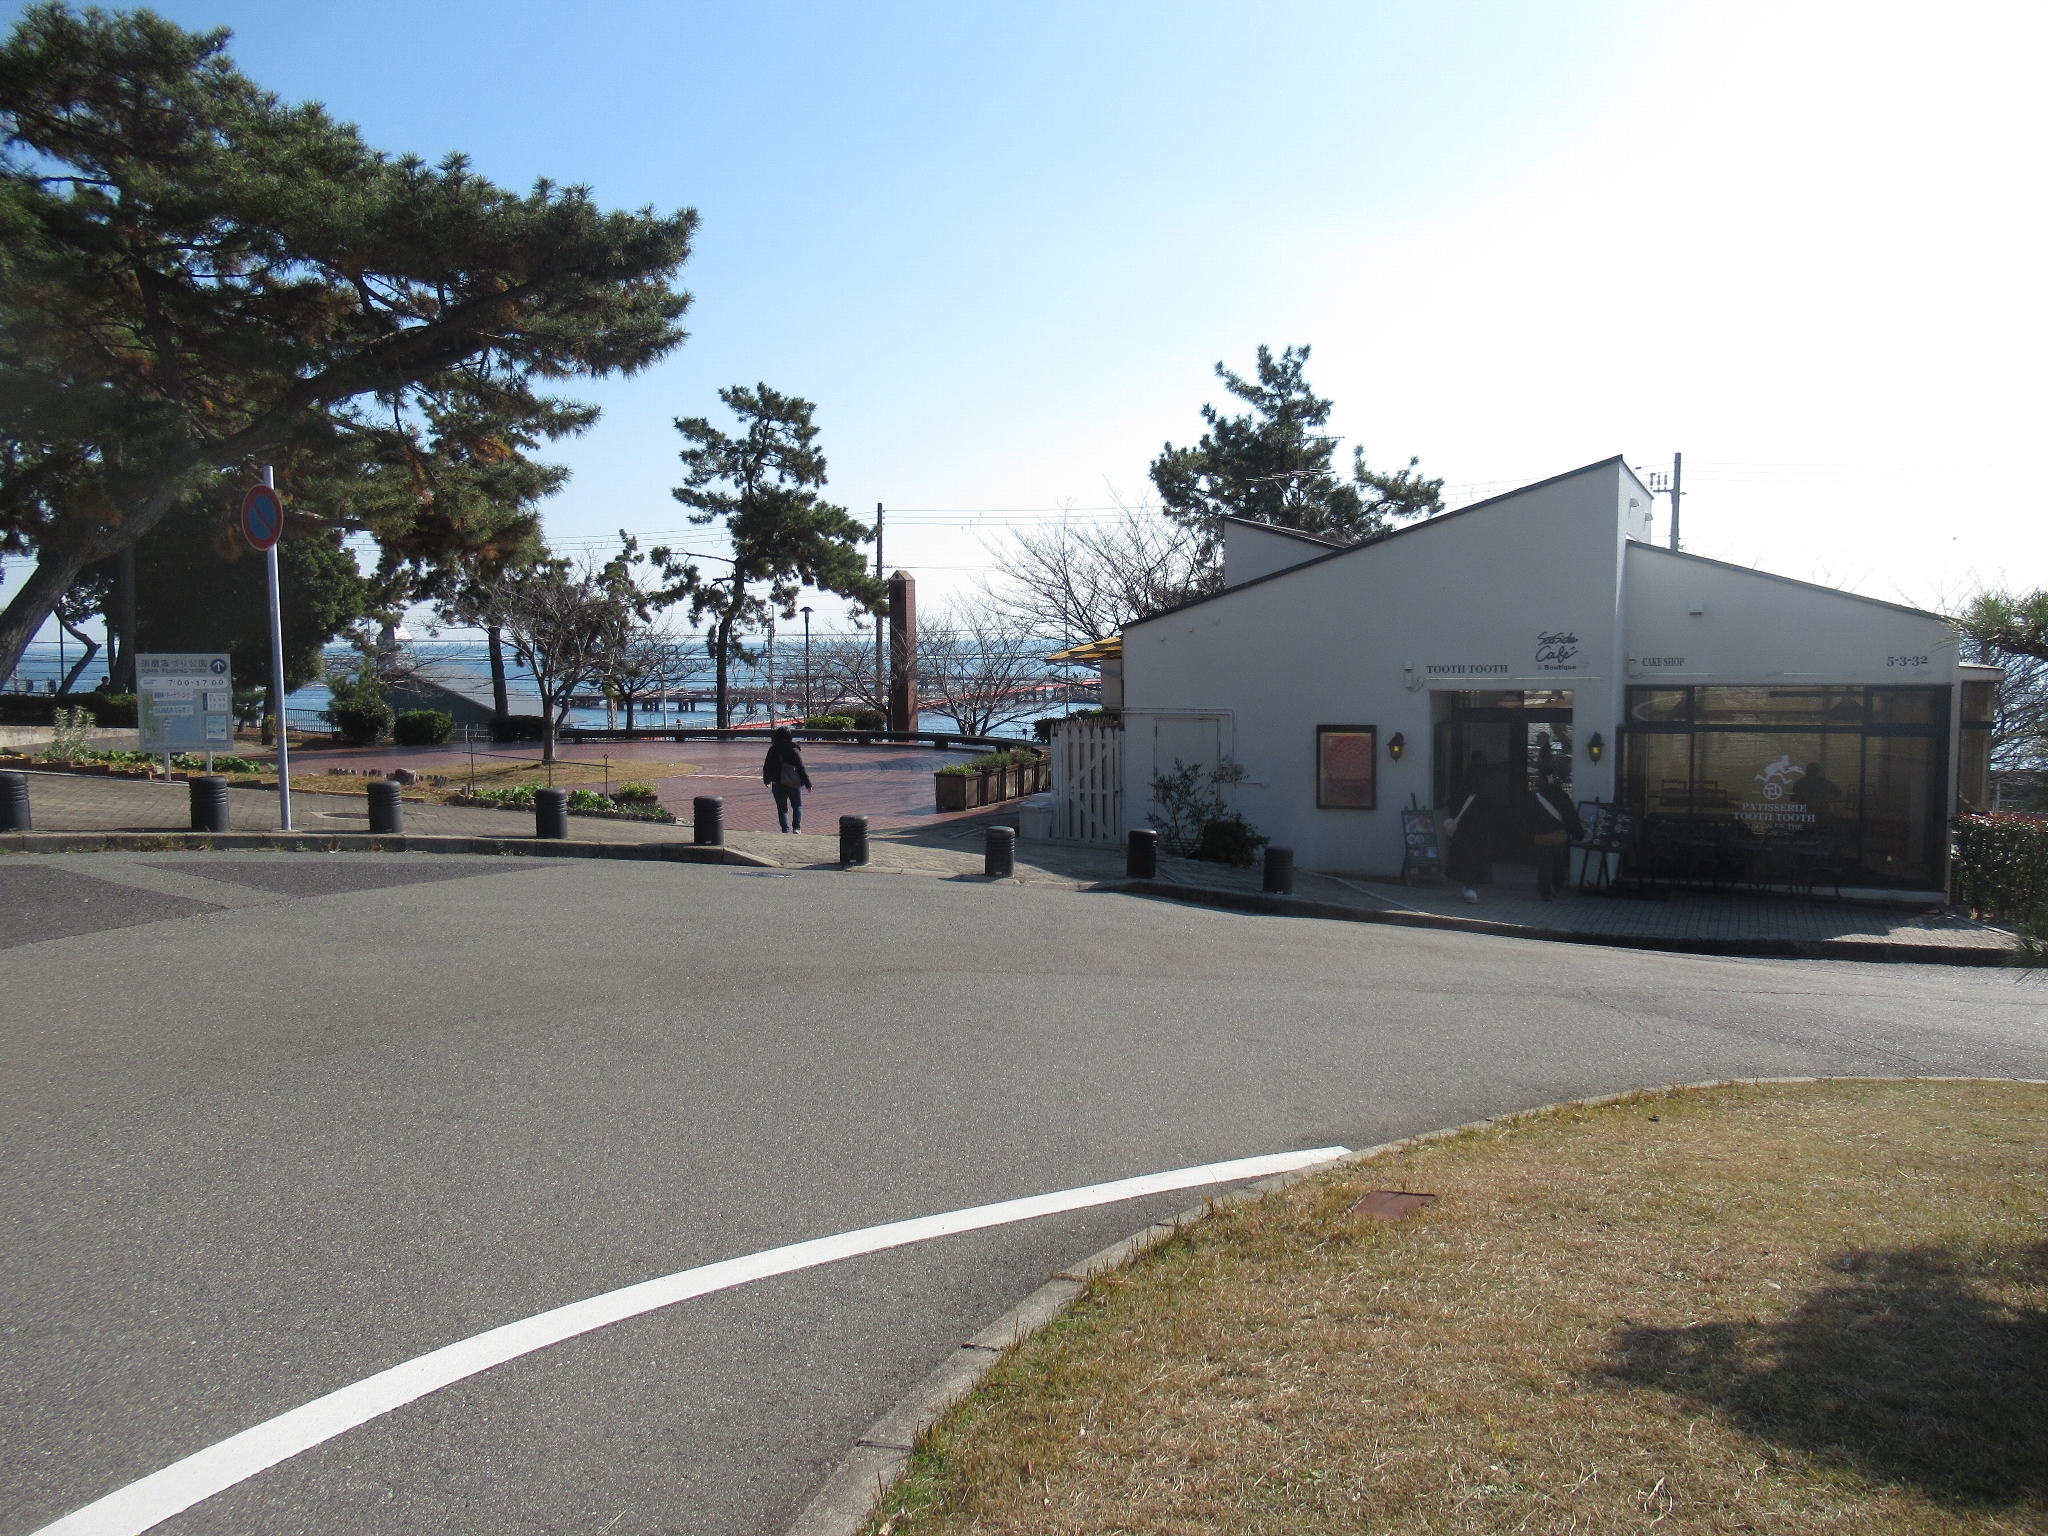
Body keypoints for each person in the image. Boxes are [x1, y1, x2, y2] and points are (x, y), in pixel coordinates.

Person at [1527, 769, 1584, 901]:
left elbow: (1529, 818)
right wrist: (1578, 834)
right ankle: (1556, 888)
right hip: (1559, 835)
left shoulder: (1535, 797)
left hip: (1541, 836)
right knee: (1559, 864)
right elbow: (1571, 816)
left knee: (1544, 865)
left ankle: (1546, 891)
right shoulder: (1561, 795)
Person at [1445, 750, 1493, 901]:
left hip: (1465, 826)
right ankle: (1471, 887)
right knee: (1477, 857)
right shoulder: (1486, 779)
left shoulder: (1465, 778)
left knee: (1465, 857)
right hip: (1479, 826)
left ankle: (1468, 886)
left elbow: (1455, 801)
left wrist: (1453, 818)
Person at [762, 726, 813, 833]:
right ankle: (797, 828)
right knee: (797, 805)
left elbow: (767, 766)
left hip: (777, 782)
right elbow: (800, 767)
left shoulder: (773, 749)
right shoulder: (793, 748)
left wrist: (766, 780)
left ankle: (785, 830)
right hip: (793, 783)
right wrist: (808, 783)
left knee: (782, 809)